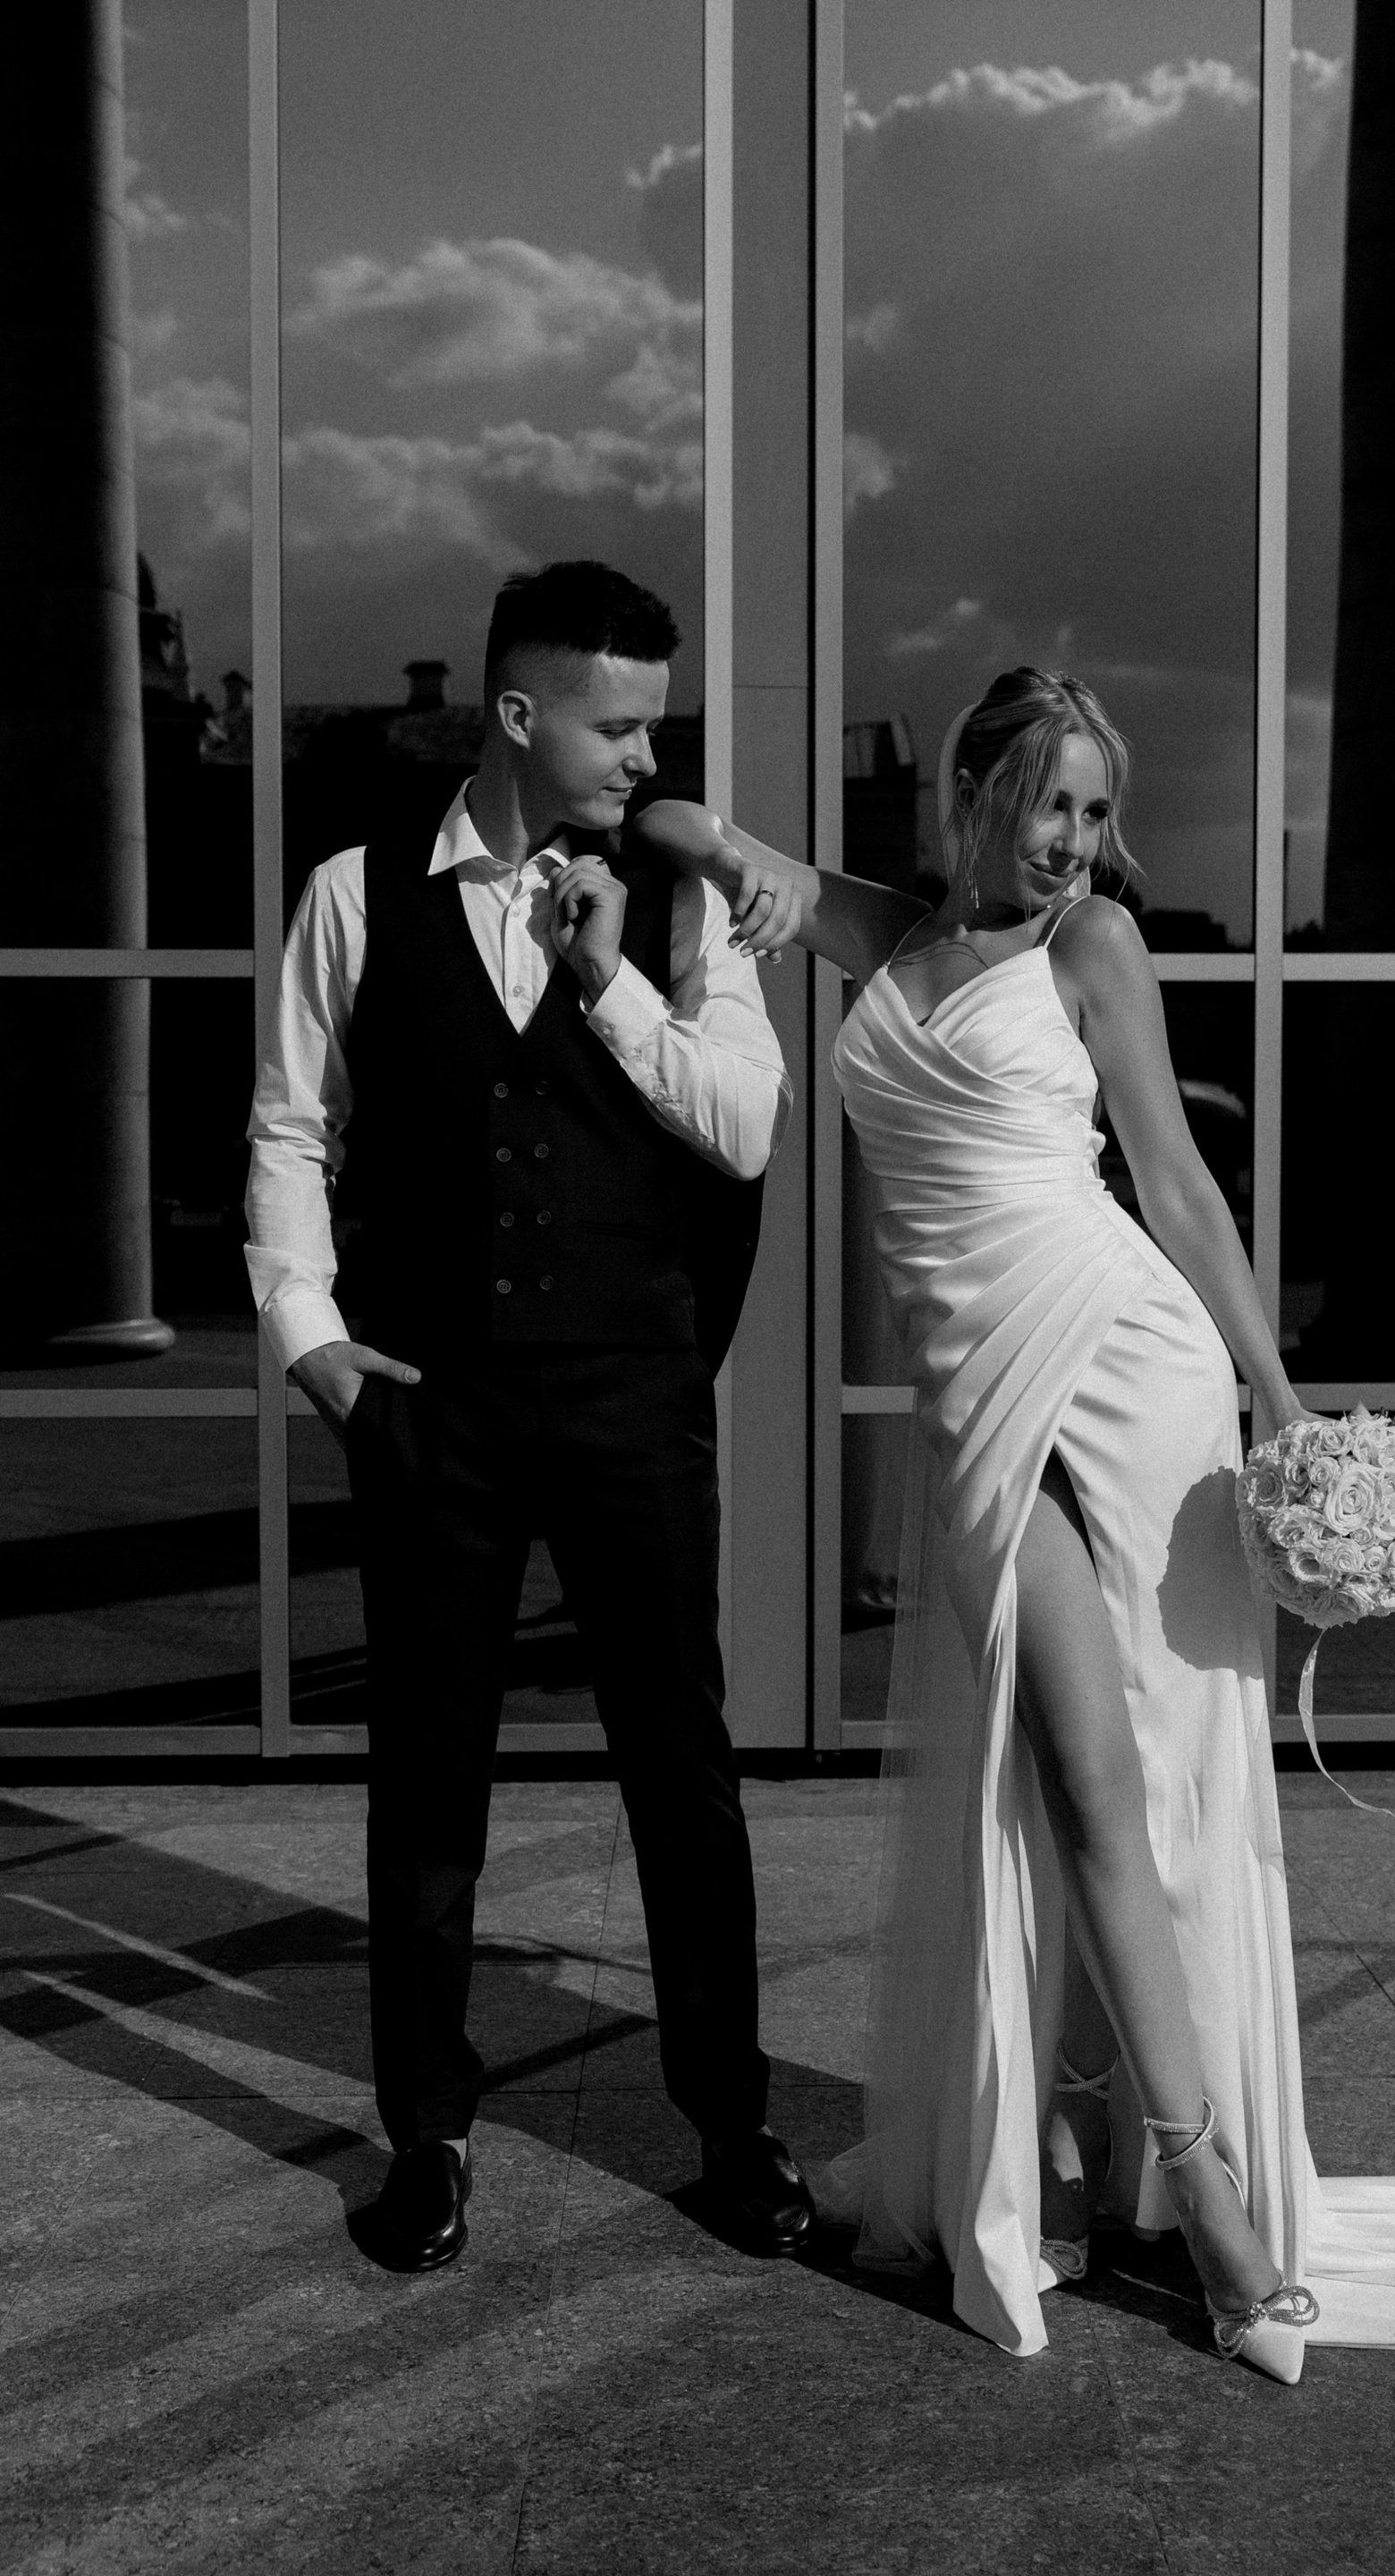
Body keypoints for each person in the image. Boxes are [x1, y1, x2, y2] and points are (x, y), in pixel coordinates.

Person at [632, 665, 1395, 2376]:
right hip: (977, 1400)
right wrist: (732, 872)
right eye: (1048, 802)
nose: (1074, 841)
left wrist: (1278, 1394)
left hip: (1128, 1368)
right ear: (975, 789)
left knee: (1120, 1782)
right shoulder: (888, 934)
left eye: (1096, 812)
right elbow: (671, 817)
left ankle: (1198, 2184)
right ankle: (1091, 2142)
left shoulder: (1094, 948)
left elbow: (1179, 1183)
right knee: (1063, 1785)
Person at [245, 559, 816, 2272]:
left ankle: (732, 2125)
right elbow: (293, 1127)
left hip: (636, 1399)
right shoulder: (355, 895)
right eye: (617, 723)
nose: (647, 755)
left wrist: (613, 981)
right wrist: (308, 1337)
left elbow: (746, 1129)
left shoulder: (688, 901)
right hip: (437, 1407)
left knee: (682, 1772)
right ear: (517, 714)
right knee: (428, 1781)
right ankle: (426, 2135)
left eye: (656, 723)